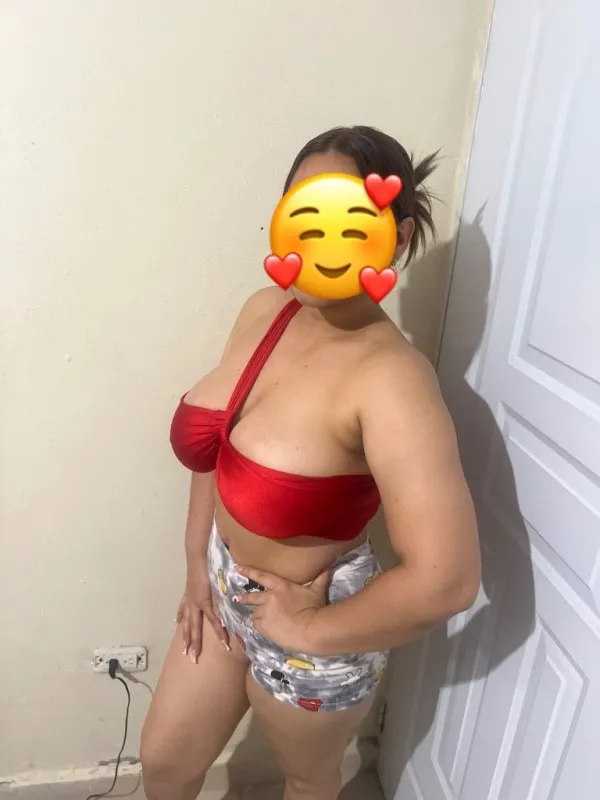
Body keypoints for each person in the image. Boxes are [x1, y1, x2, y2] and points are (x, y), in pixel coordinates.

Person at [140, 125, 481, 800]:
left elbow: (447, 582)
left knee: (306, 782)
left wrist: (308, 626)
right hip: (223, 586)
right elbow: (214, 445)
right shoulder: (265, 309)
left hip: (317, 624)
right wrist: (195, 563)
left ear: (397, 237)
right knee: (165, 764)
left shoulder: (393, 380)